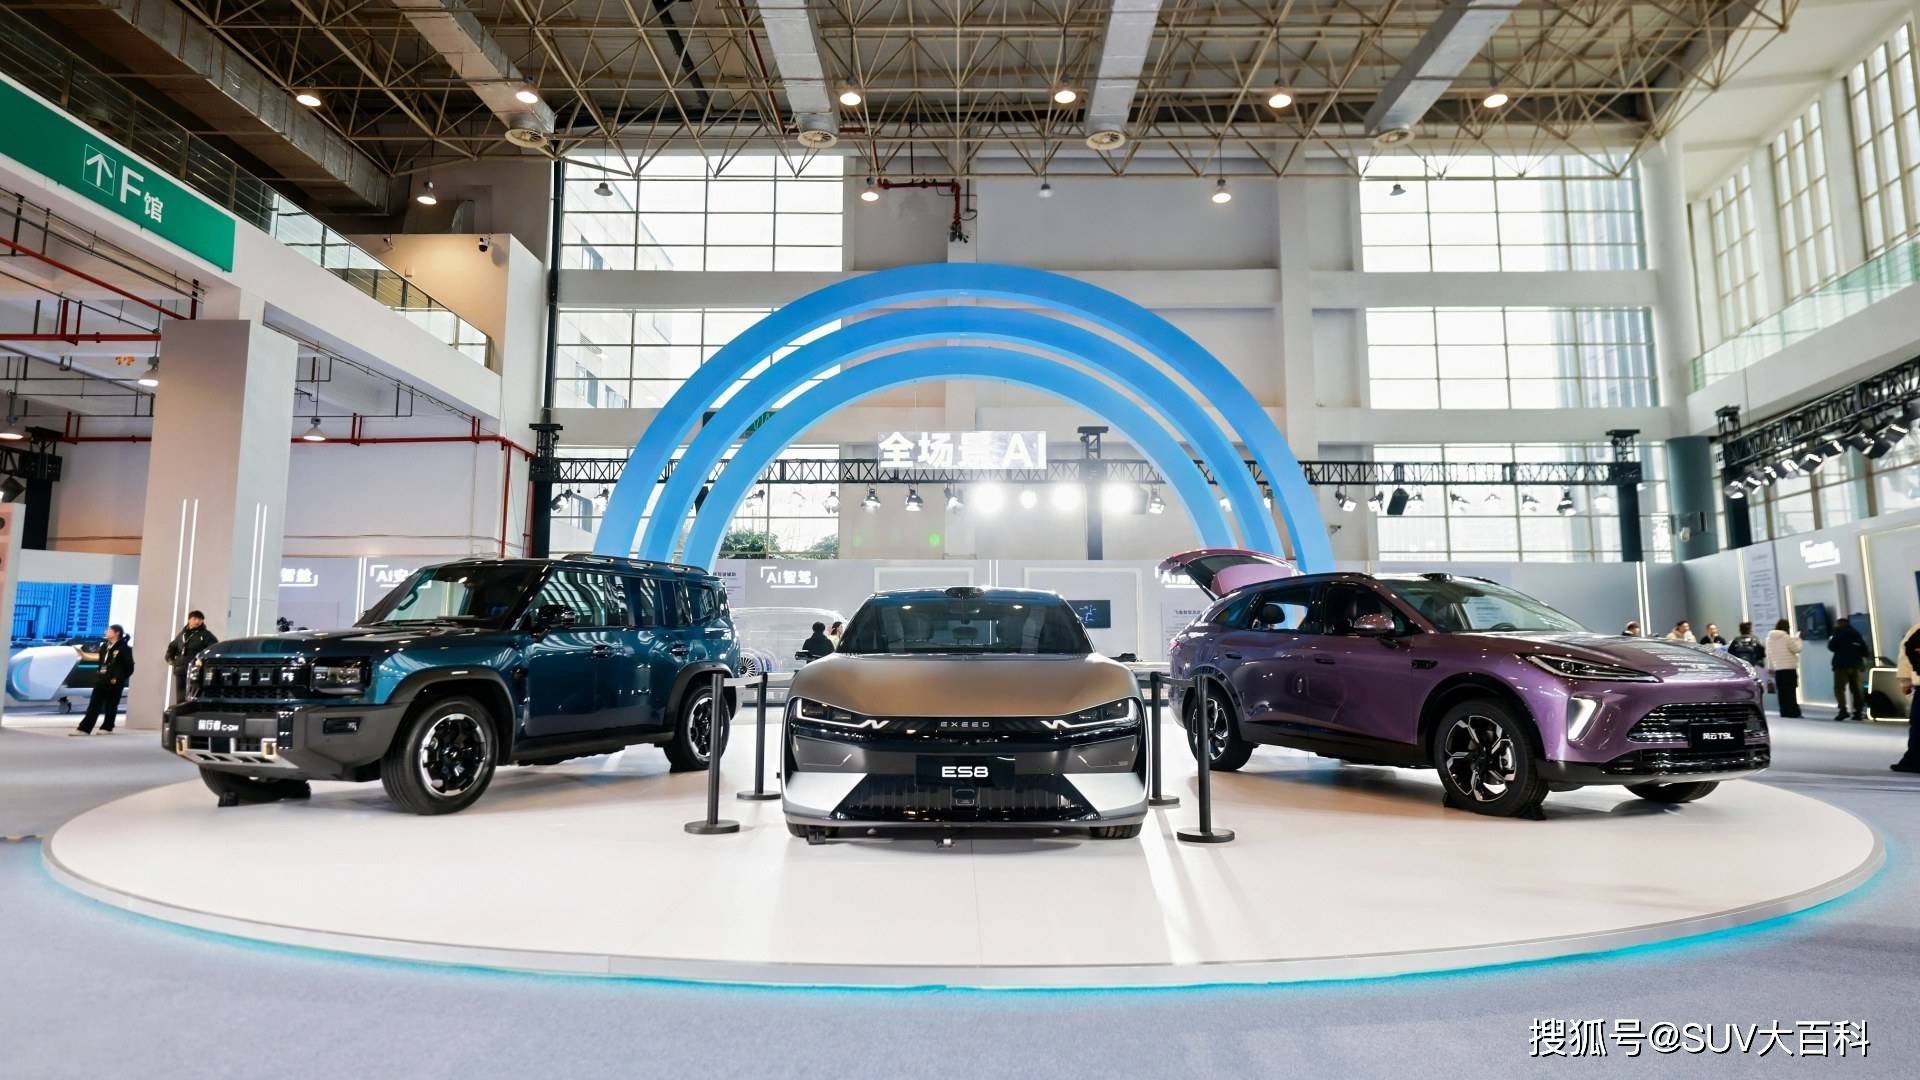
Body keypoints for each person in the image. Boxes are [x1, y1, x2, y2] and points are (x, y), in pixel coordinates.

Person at [72, 625, 134, 736]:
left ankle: (107, 727)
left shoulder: (124, 648)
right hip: (102, 680)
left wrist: (118, 678)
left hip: (114, 682)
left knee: (111, 705)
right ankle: (84, 729)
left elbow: (129, 667)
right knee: (94, 704)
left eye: (109, 631)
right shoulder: (105, 646)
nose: (106, 632)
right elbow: (101, 662)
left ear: (117, 633)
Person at [164, 609, 218, 703]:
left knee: (193, 696)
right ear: (189, 620)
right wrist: (169, 659)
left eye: (200, 619)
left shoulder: (206, 635)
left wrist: (203, 661)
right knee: (180, 697)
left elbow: (213, 648)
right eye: (195, 619)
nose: (197, 621)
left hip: (195, 670)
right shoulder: (182, 634)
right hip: (180, 669)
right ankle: (180, 709)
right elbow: (172, 646)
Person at [1827, 616, 1871, 722]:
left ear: (1838, 625)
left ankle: (1843, 710)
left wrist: (1834, 635)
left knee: (1839, 688)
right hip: (1856, 665)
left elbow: (1831, 647)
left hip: (1841, 666)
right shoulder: (1856, 634)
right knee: (1856, 690)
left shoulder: (1837, 634)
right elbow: (1865, 651)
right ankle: (1858, 712)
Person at [1892, 619, 1920, 773]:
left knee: (1918, 725)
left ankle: (1913, 761)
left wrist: (1905, 681)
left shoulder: (1916, 629)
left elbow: (1905, 657)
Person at [1765, 618, 1803, 719]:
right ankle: (1793, 712)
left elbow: (1769, 655)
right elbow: (1797, 649)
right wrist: (1798, 639)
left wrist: (1771, 668)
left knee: (1781, 692)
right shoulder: (1786, 637)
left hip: (1778, 669)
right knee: (1791, 691)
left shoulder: (1768, 639)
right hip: (1789, 668)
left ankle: (1784, 711)